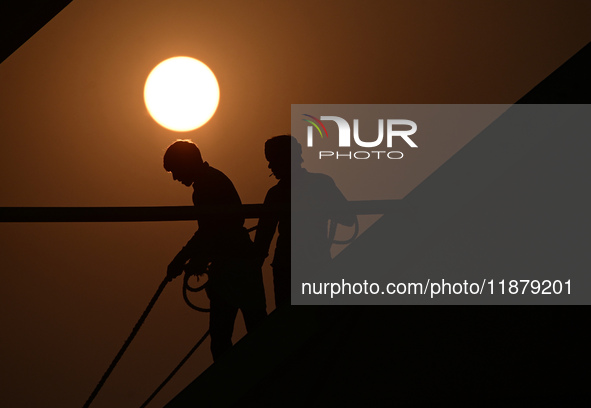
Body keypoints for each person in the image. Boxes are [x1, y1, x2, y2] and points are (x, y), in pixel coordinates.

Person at [164, 140, 267, 361]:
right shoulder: (211, 181)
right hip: (238, 262)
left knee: (223, 338)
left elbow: (212, 230)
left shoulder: (207, 186)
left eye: (175, 170)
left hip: (232, 266)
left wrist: (185, 258)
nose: (175, 177)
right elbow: (211, 230)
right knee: (255, 329)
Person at [255, 135, 356, 308]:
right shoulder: (322, 183)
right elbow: (347, 218)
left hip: (288, 268)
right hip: (317, 263)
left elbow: (261, 243)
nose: (270, 166)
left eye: (273, 160)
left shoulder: (276, 194)